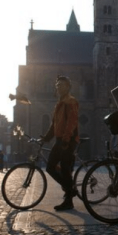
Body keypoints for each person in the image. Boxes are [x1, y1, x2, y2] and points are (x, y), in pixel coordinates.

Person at [42, 75, 79, 211]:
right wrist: (46, 138)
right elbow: (54, 125)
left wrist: (66, 139)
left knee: (64, 168)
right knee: (50, 167)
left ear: (68, 87)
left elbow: (72, 122)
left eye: (62, 85)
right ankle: (70, 190)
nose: (59, 88)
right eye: (57, 86)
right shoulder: (59, 103)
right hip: (60, 140)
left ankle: (69, 200)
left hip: (67, 140)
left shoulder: (71, 101)